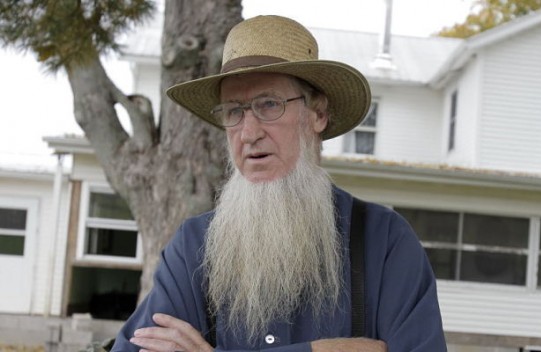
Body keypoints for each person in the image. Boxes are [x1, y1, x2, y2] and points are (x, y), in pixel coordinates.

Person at [111, 15, 446, 352]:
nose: (249, 133)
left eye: (269, 104)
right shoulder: (193, 248)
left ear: (318, 114)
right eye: (233, 111)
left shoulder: (384, 241)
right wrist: (320, 350)